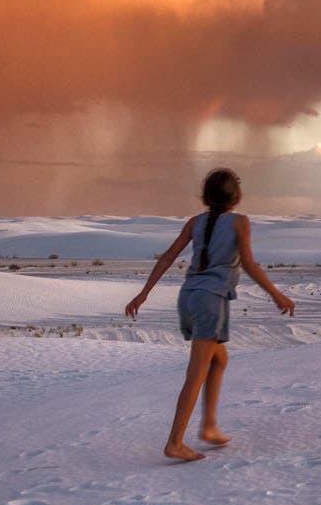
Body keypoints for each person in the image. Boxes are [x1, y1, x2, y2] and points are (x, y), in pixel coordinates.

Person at [124, 167, 295, 462]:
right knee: (196, 373)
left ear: (206, 196)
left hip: (189, 297)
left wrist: (144, 292)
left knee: (219, 359)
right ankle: (175, 442)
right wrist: (276, 294)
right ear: (237, 196)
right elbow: (250, 264)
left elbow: (168, 257)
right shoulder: (240, 222)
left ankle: (209, 426)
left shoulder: (196, 222)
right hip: (211, 300)